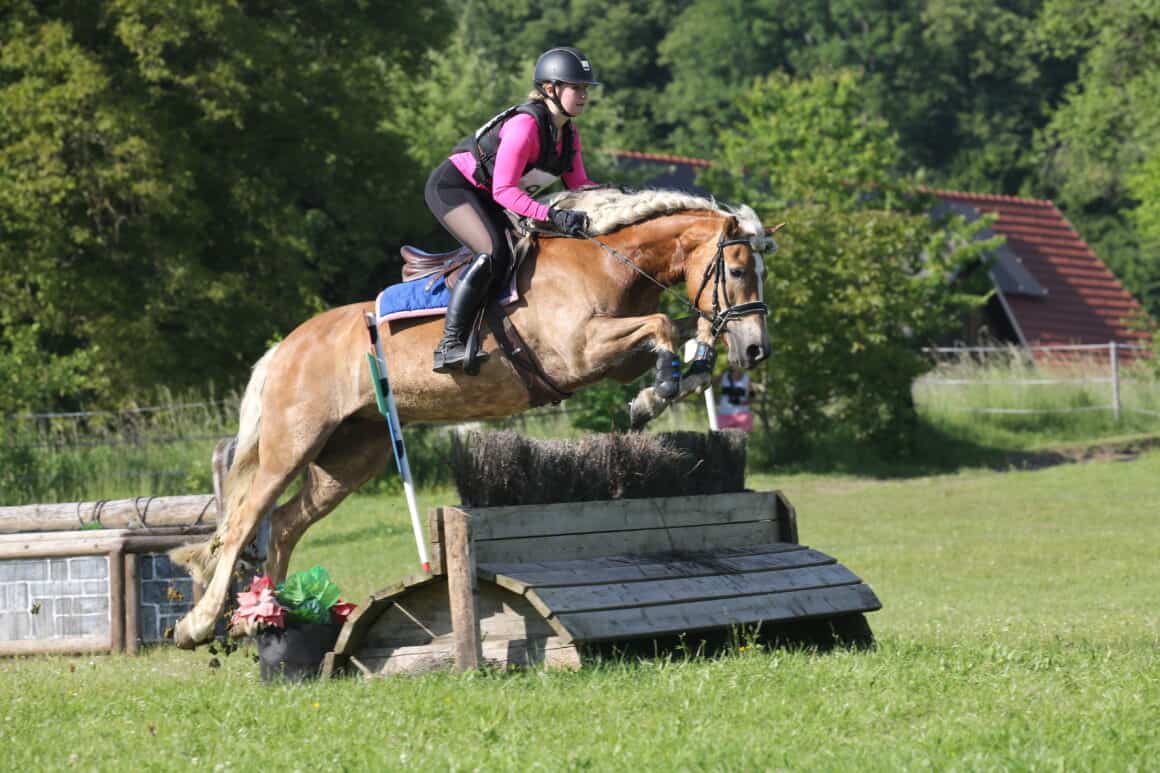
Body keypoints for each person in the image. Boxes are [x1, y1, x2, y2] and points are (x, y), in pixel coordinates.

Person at [426, 47, 602, 373]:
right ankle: (449, 345)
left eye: (585, 89)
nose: (583, 95)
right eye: (576, 87)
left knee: (526, 252)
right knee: (495, 253)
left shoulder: (568, 134)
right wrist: (551, 215)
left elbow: (579, 185)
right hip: (454, 189)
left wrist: (619, 197)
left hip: (489, 197)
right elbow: (505, 190)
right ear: (550, 89)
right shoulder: (526, 126)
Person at [716, 367, 754, 432]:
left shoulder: (746, 378)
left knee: (742, 439)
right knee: (723, 438)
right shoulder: (724, 376)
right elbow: (710, 382)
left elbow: (752, 395)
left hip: (742, 415)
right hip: (725, 415)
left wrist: (744, 402)